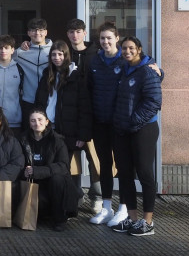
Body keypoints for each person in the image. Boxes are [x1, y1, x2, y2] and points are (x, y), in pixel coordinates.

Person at [110, 36, 162, 236]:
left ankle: (148, 222)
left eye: (131, 48)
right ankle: (132, 219)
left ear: (139, 49)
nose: (127, 51)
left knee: (144, 173)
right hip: (122, 129)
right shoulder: (122, 69)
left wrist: (134, 121)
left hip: (143, 129)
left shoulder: (148, 70)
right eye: (124, 48)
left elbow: (153, 101)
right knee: (124, 173)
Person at [34, 40, 91, 203]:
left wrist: (82, 135)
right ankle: (54, 201)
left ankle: (72, 199)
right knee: (50, 164)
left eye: (60, 54)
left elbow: (84, 107)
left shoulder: (76, 75)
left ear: (66, 55)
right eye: (53, 54)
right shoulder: (47, 74)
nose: (57, 57)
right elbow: (40, 100)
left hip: (68, 131)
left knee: (67, 168)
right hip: (48, 128)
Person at [87, 23, 128, 226]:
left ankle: (124, 208)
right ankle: (106, 207)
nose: (105, 41)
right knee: (104, 166)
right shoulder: (95, 61)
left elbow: (147, 69)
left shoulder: (125, 59)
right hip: (100, 122)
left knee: (122, 165)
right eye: (102, 38)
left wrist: (158, 71)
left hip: (119, 123)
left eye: (109, 38)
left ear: (117, 38)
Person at [65, 18, 103, 213]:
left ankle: (97, 197)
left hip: (93, 114)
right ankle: (75, 195)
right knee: (72, 161)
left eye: (78, 31)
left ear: (84, 33)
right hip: (70, 115)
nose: (75, 35)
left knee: (94, 159)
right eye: (71, 32)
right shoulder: (64, 54)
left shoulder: (96, 54)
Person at [19, 109, 79, 231]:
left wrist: (37, 171)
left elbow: (63, 166)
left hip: (53, 183)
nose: (37, 123)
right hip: (33, 183)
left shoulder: (58, 140)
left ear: (47, 121)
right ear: (29, 124)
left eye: (40, 120)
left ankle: (60, 220)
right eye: (33, 120)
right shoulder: (22, 140)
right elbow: (17, 162)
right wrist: (23, 171)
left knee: (57, 179)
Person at [15, 18, 53, 126]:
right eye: (34, 30)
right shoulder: (20, 53)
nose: (37, 33)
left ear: (46, 32)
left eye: (41, 30)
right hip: (28, 101)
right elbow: (3, 59)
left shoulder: (55, 52)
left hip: (49, 101)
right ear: (28, 33)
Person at [0, 35, 24, 137]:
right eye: (0, 48)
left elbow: (22, 92)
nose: (3, 51)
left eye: (6, 48)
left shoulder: (19, 69)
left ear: (12, 50)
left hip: (14, 120)